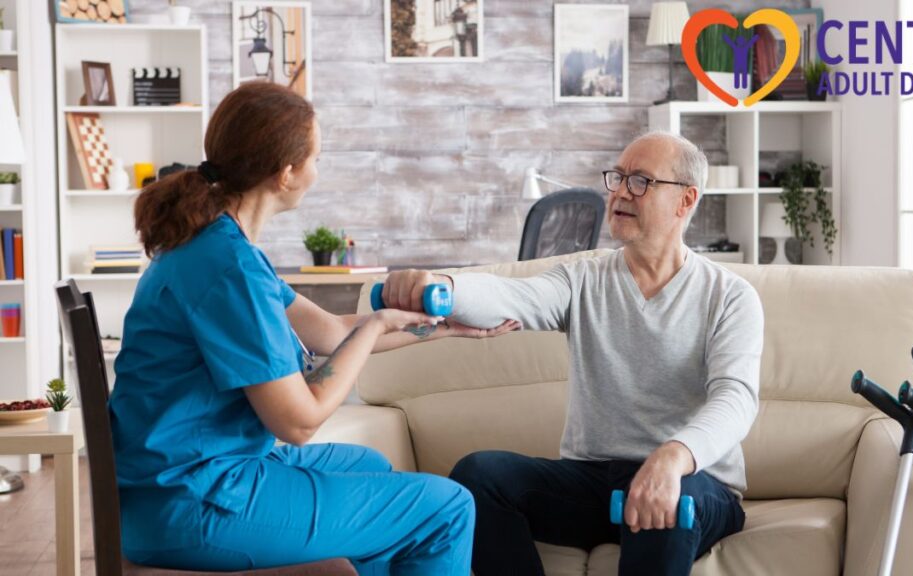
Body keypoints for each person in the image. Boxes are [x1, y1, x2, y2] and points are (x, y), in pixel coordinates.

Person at [112, 82, 519, 574]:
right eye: (317, 159)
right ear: (286, 173)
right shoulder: (229, 268)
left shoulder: (220, 245)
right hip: (194, 500)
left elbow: (328, 330)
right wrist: (375, 327)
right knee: (446, 508)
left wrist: (443, 327)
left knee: (370, 467)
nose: (317, 171)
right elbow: (298, 422)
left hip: (183, 480)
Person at [382, 132, 764, 575]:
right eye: (617, 178)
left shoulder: (730, 297)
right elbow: (512, 296)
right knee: (481, 476)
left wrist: (672, 459)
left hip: (695, 482)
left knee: (672, 501)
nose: (620, 192)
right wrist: (444, 287)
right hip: (597, 482)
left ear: (685, 200)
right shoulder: (582, 279)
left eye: (640, 181)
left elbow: (735, 399)